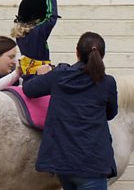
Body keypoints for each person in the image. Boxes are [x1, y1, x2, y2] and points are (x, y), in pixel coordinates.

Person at [23, 32, 118, 190]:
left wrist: (40, 75)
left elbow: (29, 89)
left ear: (77, 52)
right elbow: (111, 113)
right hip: (92, 164)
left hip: (64, 163)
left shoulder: (60, 76)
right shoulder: (107, 82)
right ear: (102, 55)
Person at [11, 0, 60, 79]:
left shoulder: (20, 34)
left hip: (27, 74)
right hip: (40, 75)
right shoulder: (37, 32)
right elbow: (51, 18)